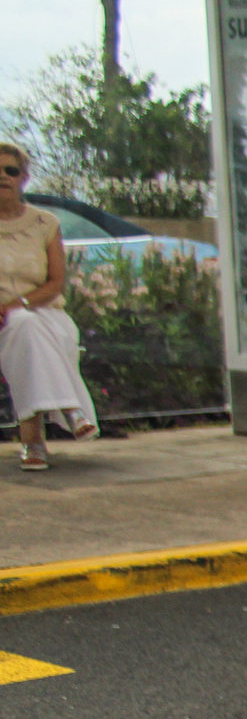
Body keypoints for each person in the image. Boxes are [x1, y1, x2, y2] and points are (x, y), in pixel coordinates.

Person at [0, 142, 99, 472]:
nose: (3, 176)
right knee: (22, 327)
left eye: (10, 170)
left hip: (46, 312)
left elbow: (56, 282)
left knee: (26, 326)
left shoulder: (46, 223)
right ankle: (72, 410)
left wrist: (18, 304)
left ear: (24, 178)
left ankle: (33, 442)